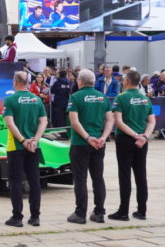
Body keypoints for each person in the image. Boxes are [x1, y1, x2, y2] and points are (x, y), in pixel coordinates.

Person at [66, 69, 114, 224]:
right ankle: (99, 212)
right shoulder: (102, 97)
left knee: (80, 178)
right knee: (98, 177)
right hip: (99, 143)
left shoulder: (75, 97)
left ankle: (80, 213)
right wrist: (103, 137)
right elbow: (110, 120)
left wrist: (87, 137)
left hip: (80, 143)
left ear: (79, 81)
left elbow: (74, 121)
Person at [109, 70, 156, 221]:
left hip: (125, 139)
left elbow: (118, 122)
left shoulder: (121, 98)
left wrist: (135, 135)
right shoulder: (145, 99)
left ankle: (123, 211)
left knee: (125, 174)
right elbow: (151, 121)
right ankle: (142, 210)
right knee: (141, 174)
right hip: (142, 140)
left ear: (127, 81)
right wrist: (144, 136)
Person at [3, 71, 48, 227]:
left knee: (16, 181)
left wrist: (22, 140)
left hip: (16, 146)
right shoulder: (37, 99)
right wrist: (35, 139)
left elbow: (10, 123)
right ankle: (35, 217)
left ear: (15, 82)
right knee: (34, 180)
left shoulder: (10, 100)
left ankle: (17, 217)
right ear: (28, 82)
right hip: (34, 147)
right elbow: (43, 121)